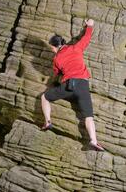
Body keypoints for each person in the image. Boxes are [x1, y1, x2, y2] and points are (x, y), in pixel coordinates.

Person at [41, 19, 104, 151]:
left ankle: (47, 122)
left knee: (45, 97)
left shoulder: (57, 58)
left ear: (55, 46)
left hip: (69, 86)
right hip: (83, 86)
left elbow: (56, 72)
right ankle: (94, 141)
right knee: (88, 116)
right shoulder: (76, 48)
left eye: (52, 47)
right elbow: (86, 38)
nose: (52, 50)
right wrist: (90, 25)